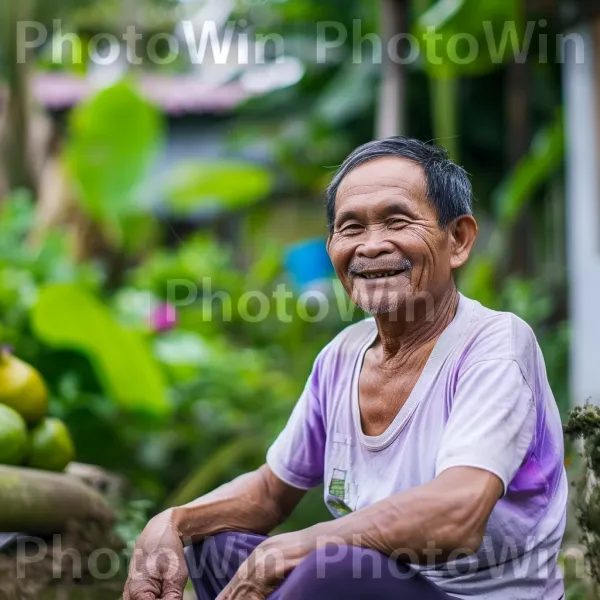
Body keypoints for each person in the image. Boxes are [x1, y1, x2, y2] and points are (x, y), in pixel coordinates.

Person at [123, 137, 567, 600]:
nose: (371, 246)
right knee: (216, 545)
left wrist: (298, 546)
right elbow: (270, 493)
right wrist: (172, 522)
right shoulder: (341, 356)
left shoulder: (495, 345)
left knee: (330, 570)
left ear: (457, 239)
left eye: (397, 220)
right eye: (350, 227)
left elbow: (458, 513)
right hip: (376, 585)